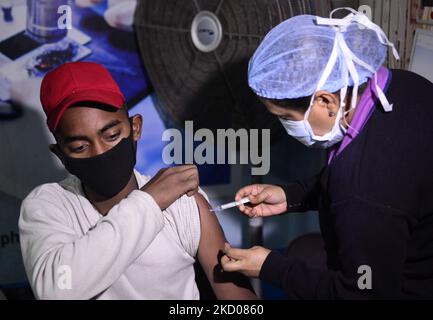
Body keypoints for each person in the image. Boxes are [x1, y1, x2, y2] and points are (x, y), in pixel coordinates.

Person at [221, 8, 433, 299]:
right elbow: (381, 177)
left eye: (284, 116)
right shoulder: (402, 86)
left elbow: (361, 293)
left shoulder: (361, 190)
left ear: (324, 100)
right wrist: (291, 195)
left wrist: (272, 267)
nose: (285, 126)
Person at [19, 61, 256, 300]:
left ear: (135, 128)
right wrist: (149, 202)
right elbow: (57, 290)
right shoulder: (49, 206)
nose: (100, 152)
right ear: (60, 154)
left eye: (111, 135)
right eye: (80, 147)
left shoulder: (182, 202)